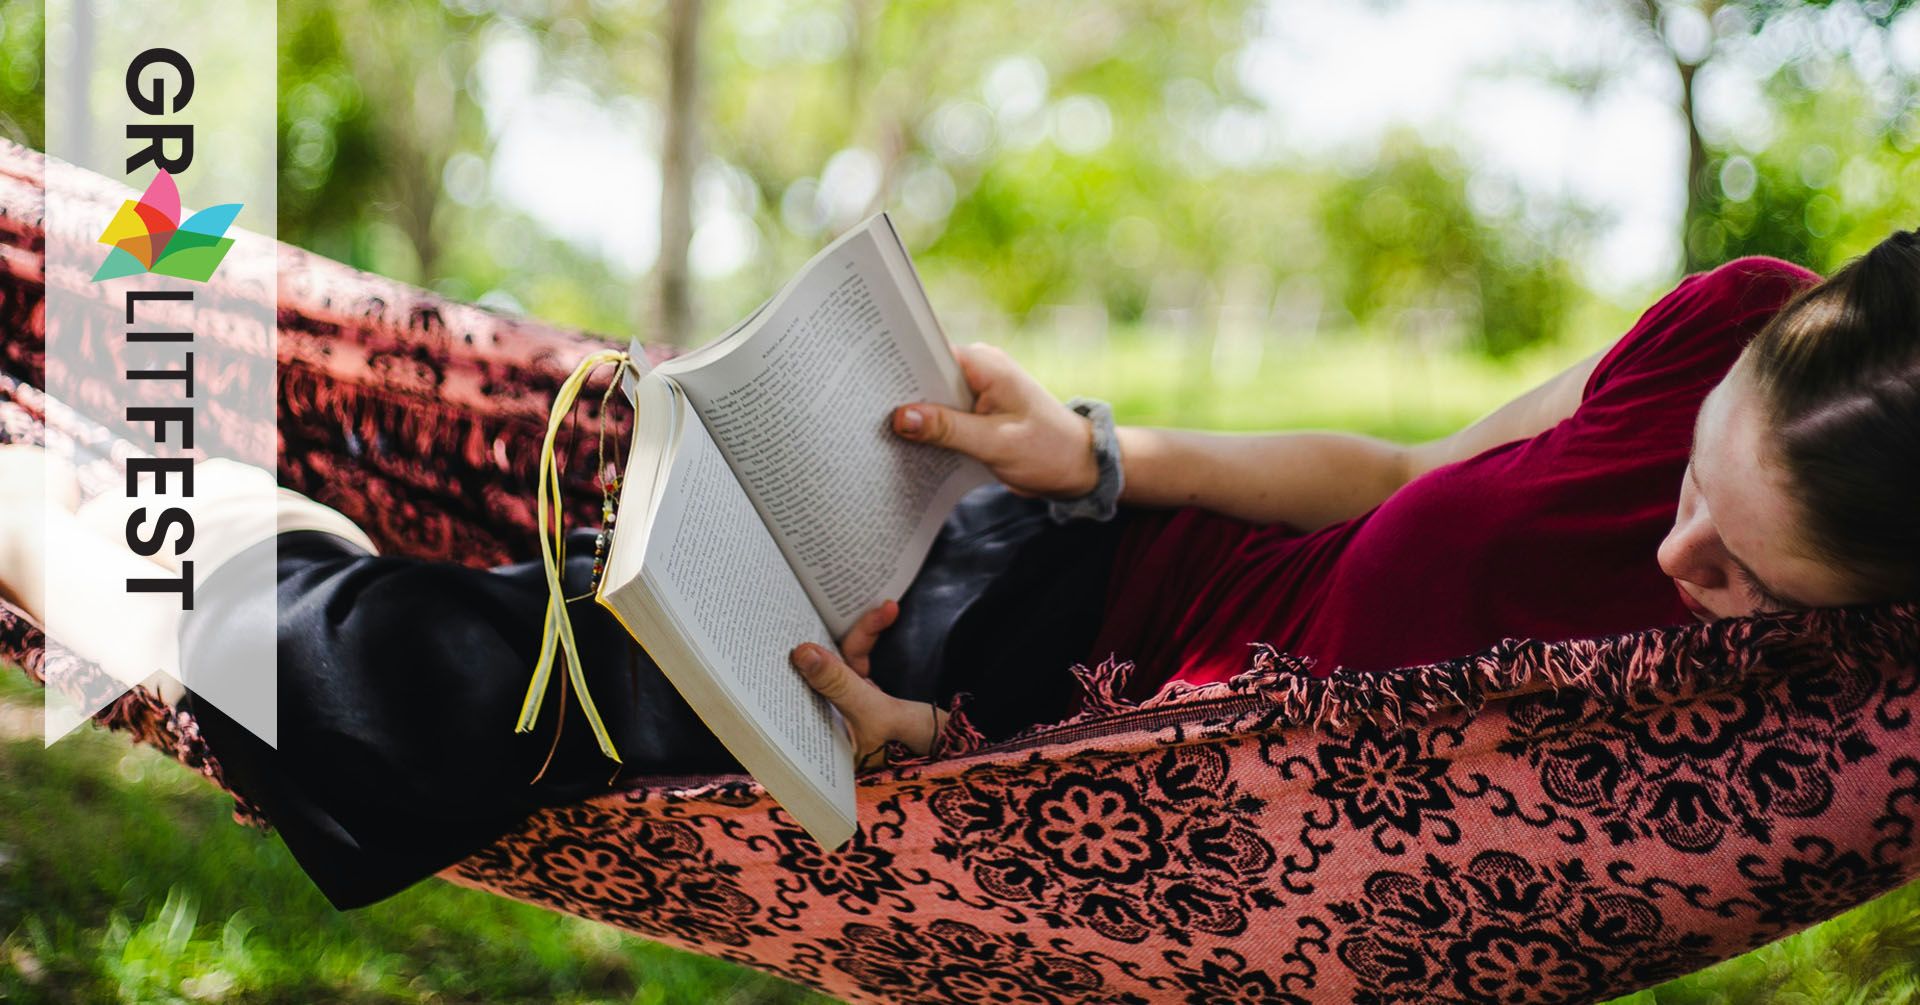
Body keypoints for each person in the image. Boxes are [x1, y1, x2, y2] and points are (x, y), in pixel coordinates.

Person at [2, 230, 1914, 910]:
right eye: (1686, 478)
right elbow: (1404, 466)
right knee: (492, 636)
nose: (1674, 557)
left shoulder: (1806, 726)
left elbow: (1260, 811)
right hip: (1034, 565)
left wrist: (950, 742)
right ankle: (150, 503)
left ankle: (77, 509)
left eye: (1738, 577)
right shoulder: (1737, 316)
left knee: (439, 690)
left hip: (1033, 749)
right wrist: (1088, 448)